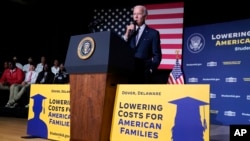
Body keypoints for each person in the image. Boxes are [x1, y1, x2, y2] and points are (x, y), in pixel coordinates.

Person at [123, 5, 162, 84]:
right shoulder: (129, 32)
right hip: (128, 73)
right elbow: (122, 48)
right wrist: (127, 33)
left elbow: (157, 54)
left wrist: (151, 69)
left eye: (139, 14)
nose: (136, 16)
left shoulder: (153, 33)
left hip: (144, 74)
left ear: (145, 16)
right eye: (134, 14)